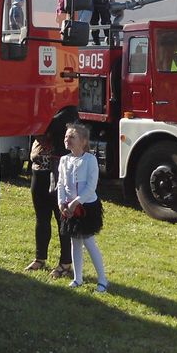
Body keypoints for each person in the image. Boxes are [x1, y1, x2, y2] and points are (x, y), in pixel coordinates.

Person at [57, 122, 108, 293]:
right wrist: (61, 202)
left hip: (86, 207)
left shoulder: (90, 160)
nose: (67, 139)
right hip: (70, 208)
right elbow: (61, 183)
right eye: (66, 136)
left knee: (88, 241)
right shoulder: (64, 160)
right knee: (74, 241)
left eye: (72, 137)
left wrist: (75, 202)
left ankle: (102, 279)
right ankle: (77, 278)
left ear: (84, 141)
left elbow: (91, 187)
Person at [23, 119, 73, 279]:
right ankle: (40, 258)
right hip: (39, 169)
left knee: (61, 218)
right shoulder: (40, 109)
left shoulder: (65, 112)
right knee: (41, 217)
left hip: (57, 170)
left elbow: (52, 128)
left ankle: (65, 263)